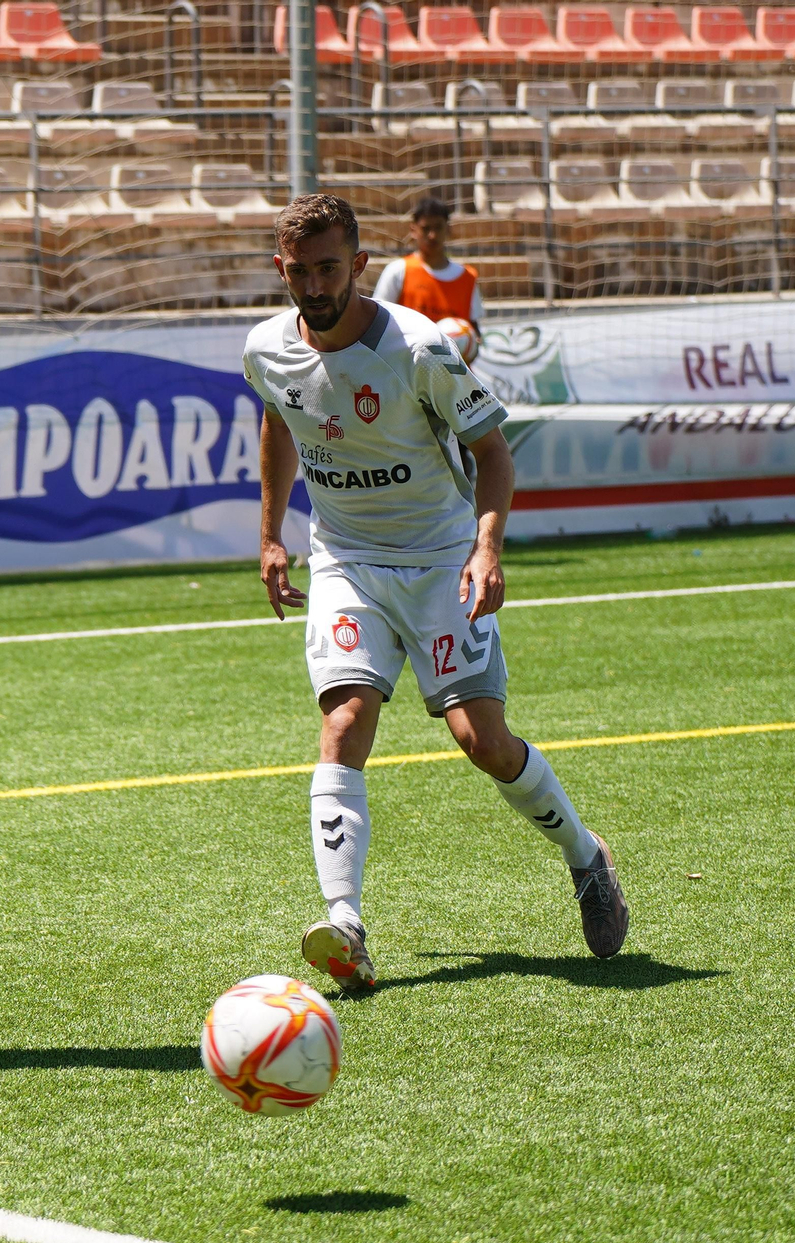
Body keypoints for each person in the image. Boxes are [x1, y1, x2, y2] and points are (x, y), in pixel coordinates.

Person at [241, 193, 626, 989]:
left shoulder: (417, 348)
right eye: (299, 270)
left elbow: (493, 452)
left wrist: (487, 549)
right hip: (346, 558)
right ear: (281, 269)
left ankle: (586, 855)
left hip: (440, 556)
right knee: (345, 718)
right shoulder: (266, 350)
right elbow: (282, 421)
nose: (314, 285)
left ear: (360, 266)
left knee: (481, 741)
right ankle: (343, 921)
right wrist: (273, 533)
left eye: (328, 267)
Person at [371, 195, 484, 345]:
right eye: (426, 229)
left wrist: (473, 344)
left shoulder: (467, 277)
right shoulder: (398, 271)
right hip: (410, 366)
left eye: (438, 227)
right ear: (413, 230)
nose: (432, 235)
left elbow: (475, 329)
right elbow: (377, 321)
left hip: (453, 367)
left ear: (448, 229)